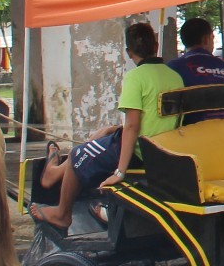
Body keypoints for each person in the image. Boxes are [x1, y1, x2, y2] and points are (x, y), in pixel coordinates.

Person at [30, 21, 185, 229]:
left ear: (129, 52)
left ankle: (62, 213)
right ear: (155, 46)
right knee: (106, 132)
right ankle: (54, 173)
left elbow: (132, 127)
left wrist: (119, 172)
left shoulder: (135, 78)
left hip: (140, 151)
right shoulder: (175, 77)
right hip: (164, 149)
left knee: (78, 154)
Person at [166, 16, 224, 121]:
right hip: (222, 130)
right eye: (212, 38)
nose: (213, 42)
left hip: (188, 132)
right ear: (205, 39)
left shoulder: (173, 67)